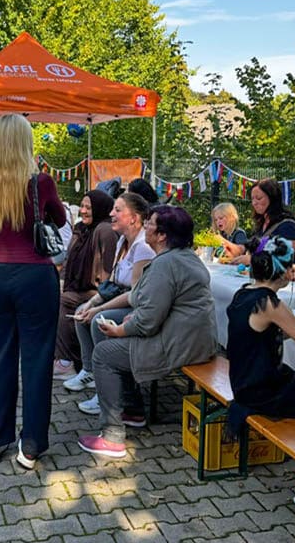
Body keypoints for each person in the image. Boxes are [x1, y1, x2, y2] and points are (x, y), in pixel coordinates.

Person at [78, 205, 217, 457]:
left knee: (103, 354)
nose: (146, 227)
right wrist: (120, 318)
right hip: (192, 340)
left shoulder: (165, 264)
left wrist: (121, 330)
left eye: (150, 224)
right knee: (104, 330)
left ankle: (112, 436)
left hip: (180, 345)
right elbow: (151, 303)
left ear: (162, 235)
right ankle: (132, 409)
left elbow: (148, 321)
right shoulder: (183, 257)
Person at [0, 114, 65, 470]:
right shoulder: (40, 182)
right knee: (36, 360)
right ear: (25, 142)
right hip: (35, 275)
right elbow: (60, 219)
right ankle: (30, 446)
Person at [225, 235, 295, 508]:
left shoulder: (245, 293)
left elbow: (271, 333)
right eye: (291, 266)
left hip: (244, 383)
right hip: (262, 391)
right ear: (283, 271)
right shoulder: (270, 304)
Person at [65, 193, 155, 417]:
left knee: (98, 320)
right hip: (121, 298)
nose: (111, 214)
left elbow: (135, 295)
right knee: (82, 311)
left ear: (134, 218)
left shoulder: (143, 247)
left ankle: (107, 391)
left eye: (117, 210)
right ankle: (89, 371)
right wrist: (92, 303)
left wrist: (99, 309)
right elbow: (112, 283)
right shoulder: (122, 241)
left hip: (138, 307)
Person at [53, 190, 118, 379]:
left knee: (63, 301)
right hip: (80, 287)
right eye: (82, 206)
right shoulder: (81, 229)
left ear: (99, 208)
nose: (83, 211)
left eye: (88, 207)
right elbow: (68, 259)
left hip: (98, 290)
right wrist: (61, 282)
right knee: (53, 294)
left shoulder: (105, 230)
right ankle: (61, 356)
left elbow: (108, 271)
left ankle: (66, 361)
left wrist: (99, 297)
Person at [223, 178, 295, 270]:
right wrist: (233, 248)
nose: (254, 203)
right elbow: (248, 248)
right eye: (252, 199)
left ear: (272, 199)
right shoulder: (262, 225)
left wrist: (251, 260)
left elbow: (285, 260)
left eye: (259, 198)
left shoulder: (288, 226)